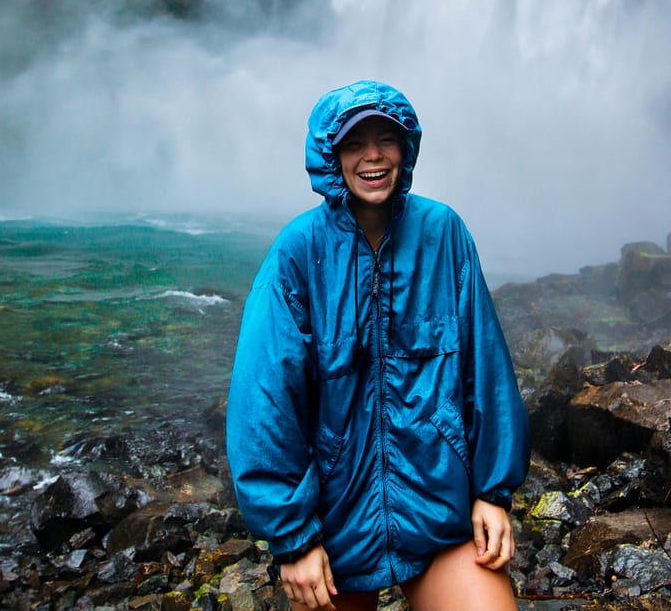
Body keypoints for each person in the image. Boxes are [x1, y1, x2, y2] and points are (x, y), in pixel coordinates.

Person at [227, 80, 530, 611]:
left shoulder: (444, 233)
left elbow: (486, 371)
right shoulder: (298, 252)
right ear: (331, 156)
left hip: (438, 514)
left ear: (405, 148)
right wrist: (293, 539)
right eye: (354, 143)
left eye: (385, 140)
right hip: (333, 527)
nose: (372, 156)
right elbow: (265, 400)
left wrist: (491, 493)